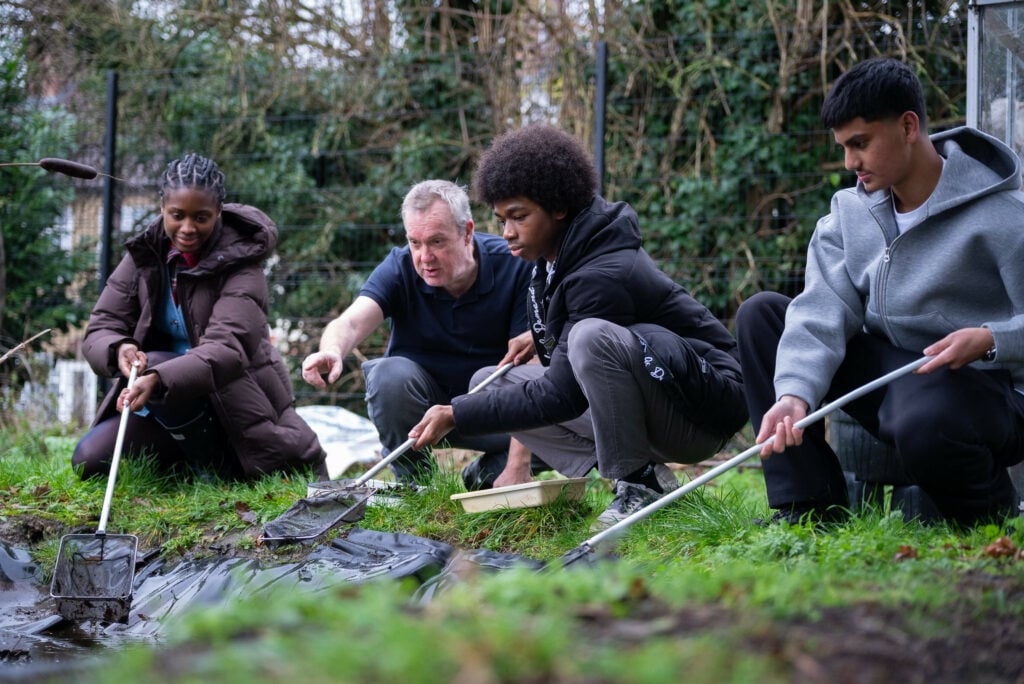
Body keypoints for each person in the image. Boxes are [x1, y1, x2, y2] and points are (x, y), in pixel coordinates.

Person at [409, 124, 748, 531]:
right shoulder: (553, 258)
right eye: (501, 219)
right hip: (659, 400)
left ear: (559, 207)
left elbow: (563, 395)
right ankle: (646, 479)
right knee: (491, 379)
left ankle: (636, 483)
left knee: (590, 337)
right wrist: (541, 337)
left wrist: (455, 413)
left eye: (519, 217)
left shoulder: (604, 271)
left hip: (702, 413)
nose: (506, 233)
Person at [735, 58, 1024, 527]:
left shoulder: (1006, 217)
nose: (851, 163)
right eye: (844, 147)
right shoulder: (850, 212)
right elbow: (821, 309)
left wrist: (991, 340)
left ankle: (991, 519)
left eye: (861, 144)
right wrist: (792, 393)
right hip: (897, 375)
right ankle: (809, 509)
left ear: (908, 126)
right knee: (762, 315)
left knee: (923, 414)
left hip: (986, 391)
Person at [73, 153, 326, 481]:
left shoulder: (241, 265)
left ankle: (216, 470)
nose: (188, 228)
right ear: (162, 206)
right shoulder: (147, 256)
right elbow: (102, 324)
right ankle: (185, 466)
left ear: (219, 212)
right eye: (177, 215)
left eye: (201, 217)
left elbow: (226, 350)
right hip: (161, 400)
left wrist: (159, 378)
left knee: (159, 361)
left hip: (230, 407)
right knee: (88, 459)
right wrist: (118, 348)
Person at [301, 179, 540, 488]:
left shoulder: (517, 265)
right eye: (415, 242)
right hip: (422, 415)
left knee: (559, 414)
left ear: (467, 232)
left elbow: (532, 371)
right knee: (387, 375)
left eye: (437, 242)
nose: (424, 257)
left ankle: (491, 472)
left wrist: (518, 465)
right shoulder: (400, 267)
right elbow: (350, 322)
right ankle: (414, 485)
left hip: (492, 411)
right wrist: (331, 349)